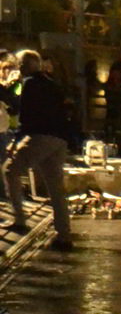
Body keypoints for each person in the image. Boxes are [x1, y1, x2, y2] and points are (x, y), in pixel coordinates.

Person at [2, 52, 75, 250]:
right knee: (56, 187)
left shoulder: (28, 84)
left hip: (40, 136)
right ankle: (64, 235)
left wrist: (16, 141)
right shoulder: (51, 83)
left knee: (10, 170)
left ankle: (19, 218)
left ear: (24, 65)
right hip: (59, 138)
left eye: (19, 64)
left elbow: (24, 113)